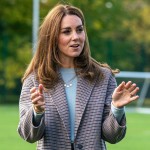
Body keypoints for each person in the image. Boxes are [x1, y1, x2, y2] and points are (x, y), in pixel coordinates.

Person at [17, 3, 139, 150]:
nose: (76, 37)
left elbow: (112, 136)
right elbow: (28, 136)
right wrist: (37, 112)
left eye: (79, 30)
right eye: (66, 31)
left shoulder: (103, 77)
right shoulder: (35, 79)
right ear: (52, 37)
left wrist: (117, 109)